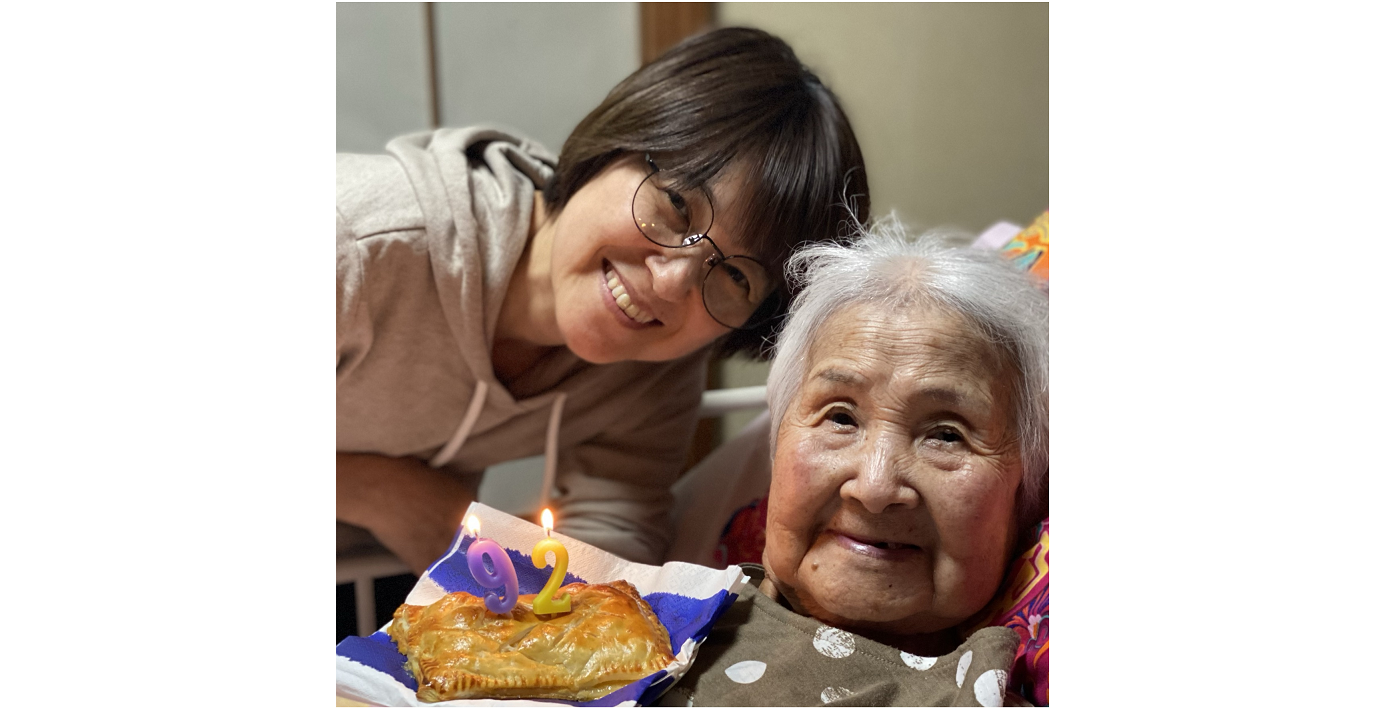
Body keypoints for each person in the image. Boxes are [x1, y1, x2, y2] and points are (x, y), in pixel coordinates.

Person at [336, 27, 870, 573]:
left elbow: (614, 534)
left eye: (735, 276)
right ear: (614, 144)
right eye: (677, 206)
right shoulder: (359, 243)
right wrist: (384, 491)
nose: (671, 283)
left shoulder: (655, 366)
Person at [658, 219, 1048, 706]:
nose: (875, 485)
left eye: (947, 435)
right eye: (840, 417)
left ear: (1027, 495)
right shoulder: (641, 630)